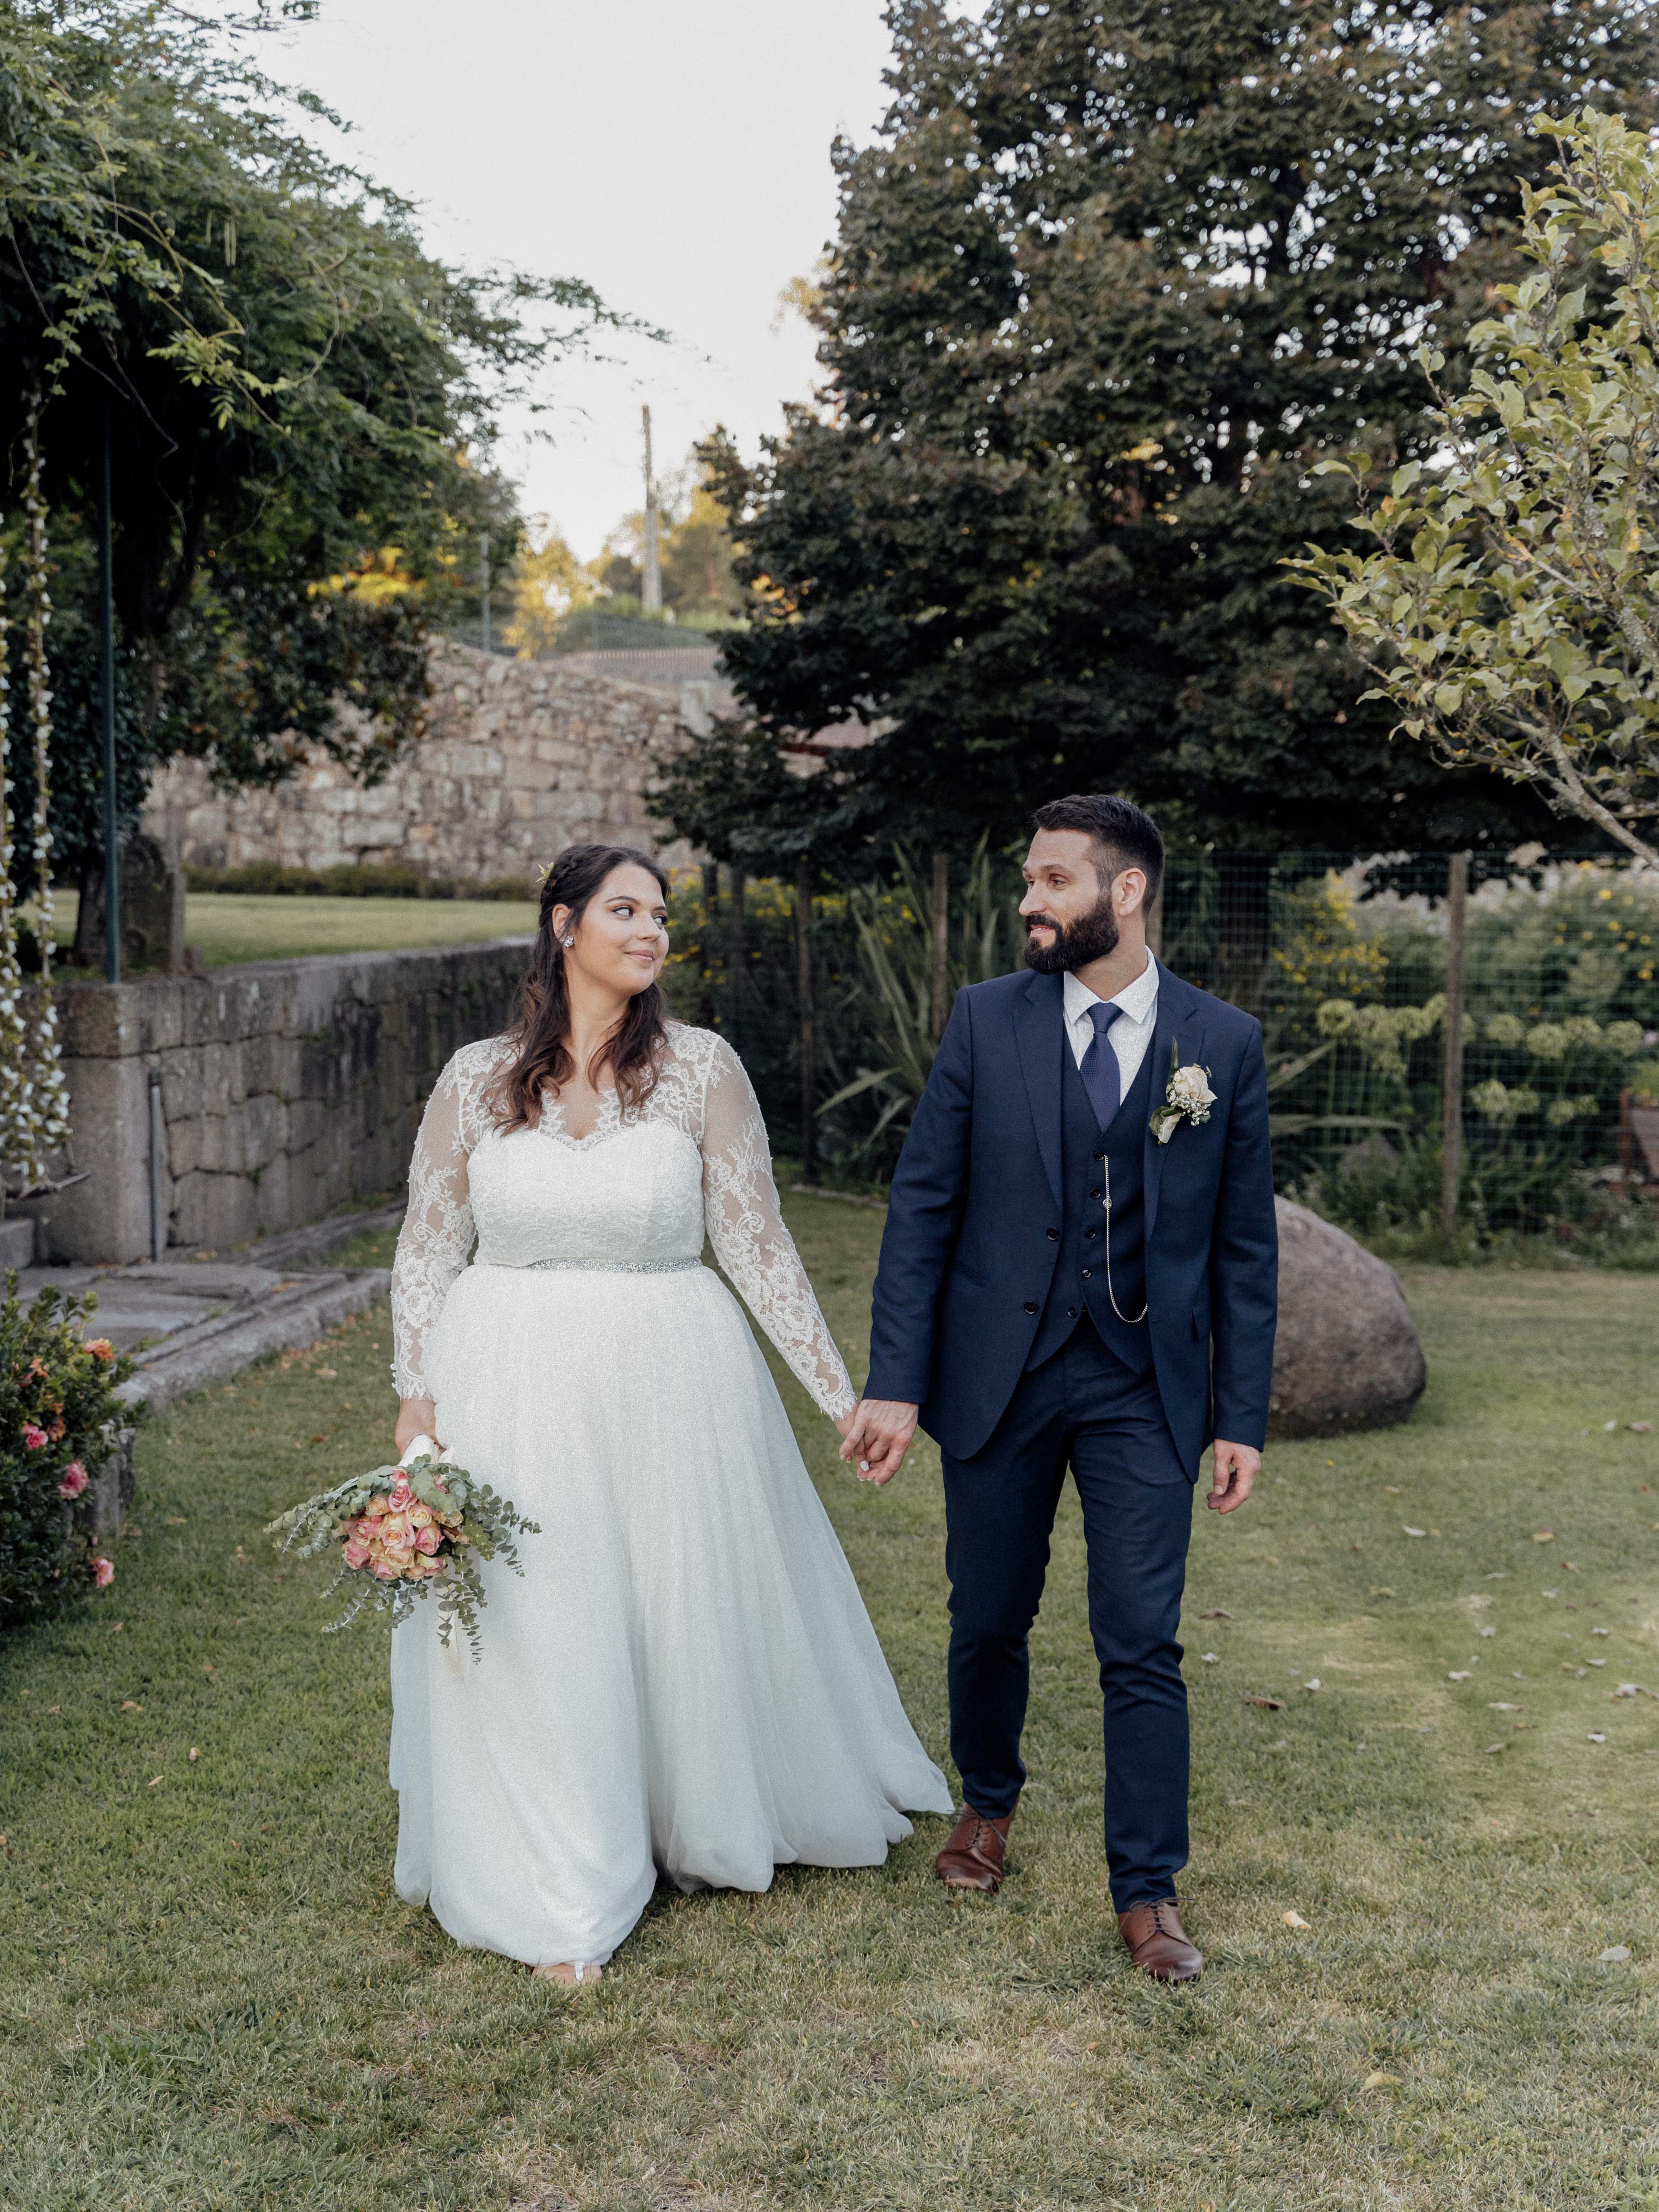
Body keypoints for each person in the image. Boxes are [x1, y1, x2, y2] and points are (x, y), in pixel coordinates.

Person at [387, 843, 950, 1987]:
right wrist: (416, 1407)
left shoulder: (701, 1069)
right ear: (562, 924)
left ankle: (679, 1804)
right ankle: (561, 1869)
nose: (649, 931)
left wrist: (840, 1395)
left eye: (659, 913)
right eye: (624, 909)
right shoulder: (474, 1078)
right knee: (543, 1614)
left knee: (671, 1601)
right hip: (507, 1373)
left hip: (672, 1375)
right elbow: (426, 1247)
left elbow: (756, 1243)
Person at [839, 795, 1277, 1983]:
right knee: (985, 1615)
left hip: (1144, 1384)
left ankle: (1145, 1892)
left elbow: (1243, 1248)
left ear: (1120, 890)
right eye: (1026, 880)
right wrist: (894, 1381)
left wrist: (1238, 1414)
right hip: (999, 1375)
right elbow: (922, 1207)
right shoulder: (985, 1022)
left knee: (1138, 1639)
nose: (1028, 901)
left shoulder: (1218, 1045)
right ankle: (986, 1804)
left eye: (1049, 879)